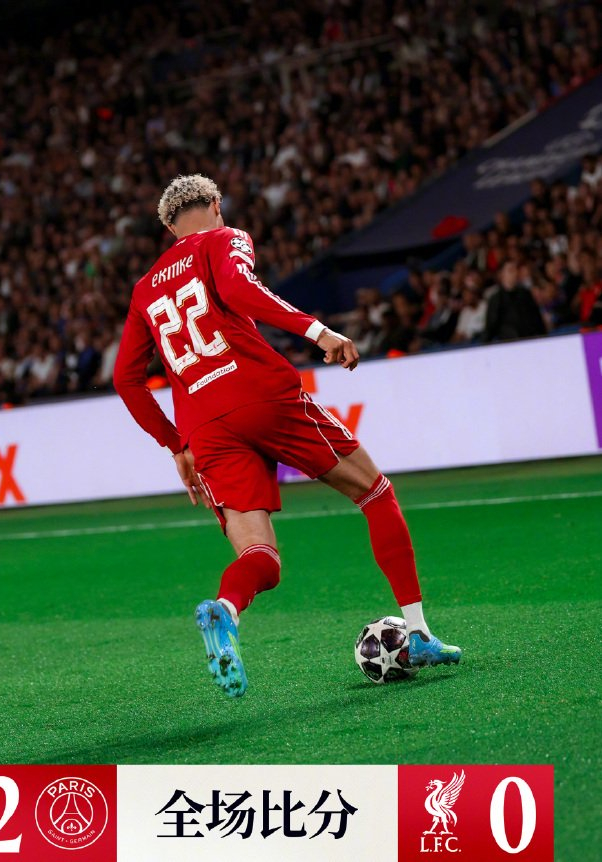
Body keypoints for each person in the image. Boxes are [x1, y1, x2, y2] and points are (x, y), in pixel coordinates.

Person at [114, 175, 461, 698]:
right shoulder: (224, 239)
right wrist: (319, 331)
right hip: (262, 396)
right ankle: (418, 633)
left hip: (205, 427)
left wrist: (176, 443)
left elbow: (126, 379)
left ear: (168, 228)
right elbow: (237, 289)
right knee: (375, 492)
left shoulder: (144, 288)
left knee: (261, 558)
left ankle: (226, 610)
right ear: (216, 205)